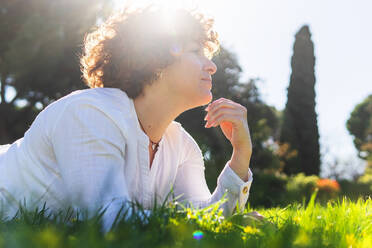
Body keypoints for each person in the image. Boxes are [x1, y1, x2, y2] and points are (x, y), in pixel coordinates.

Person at [0, 5, 257, 231]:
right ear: (154, 59)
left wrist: (241, 156)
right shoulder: (90, 113)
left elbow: (205, 217)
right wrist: (202, 225)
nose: (211, 66)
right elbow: (109, 220)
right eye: (196, 52)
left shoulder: (183, 145)